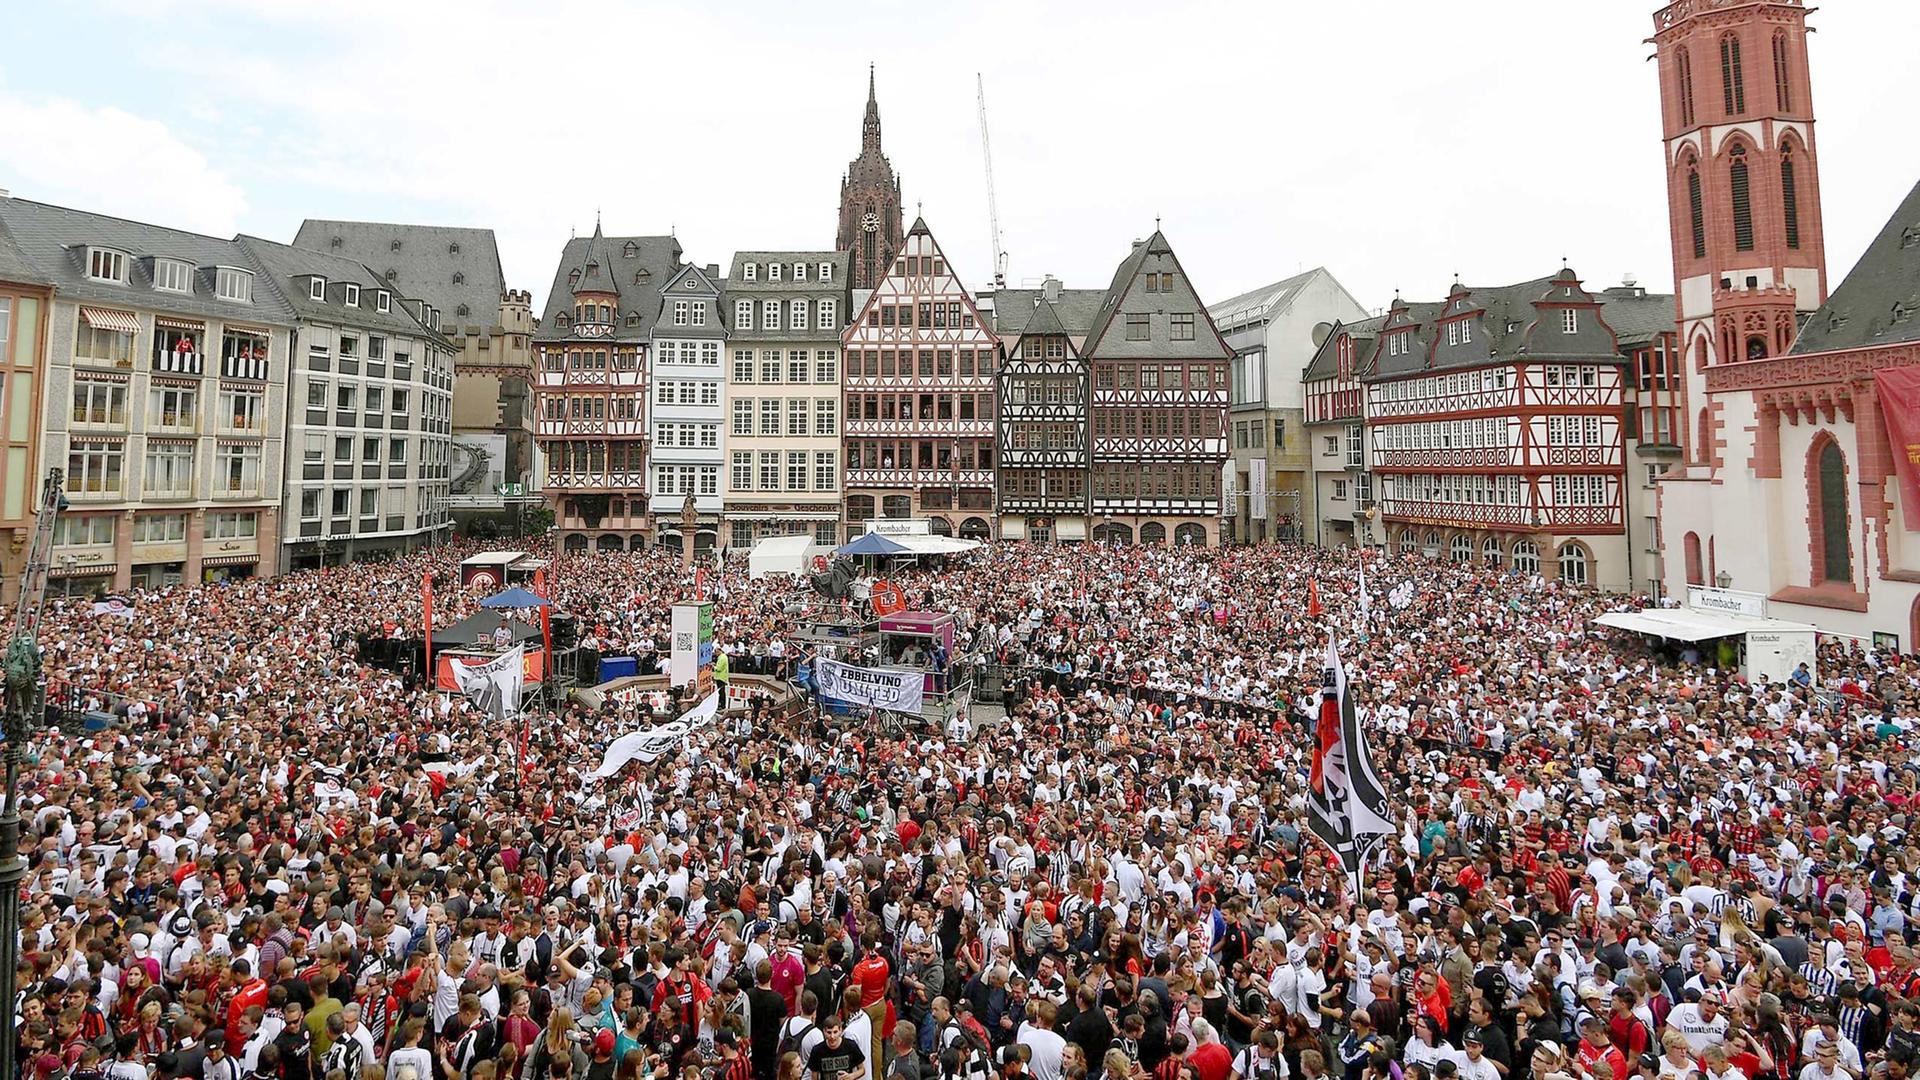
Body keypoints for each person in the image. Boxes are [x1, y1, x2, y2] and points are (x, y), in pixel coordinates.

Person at [809, 1016, 868, 1080]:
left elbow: (862, 1070)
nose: (832, 1036)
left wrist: (851, 1076)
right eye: (829, 1032)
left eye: (835, 1032)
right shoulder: (817, 1050)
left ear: (840, 1030)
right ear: (824, 1031)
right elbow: (814, 1076)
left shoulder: (850, 1045)